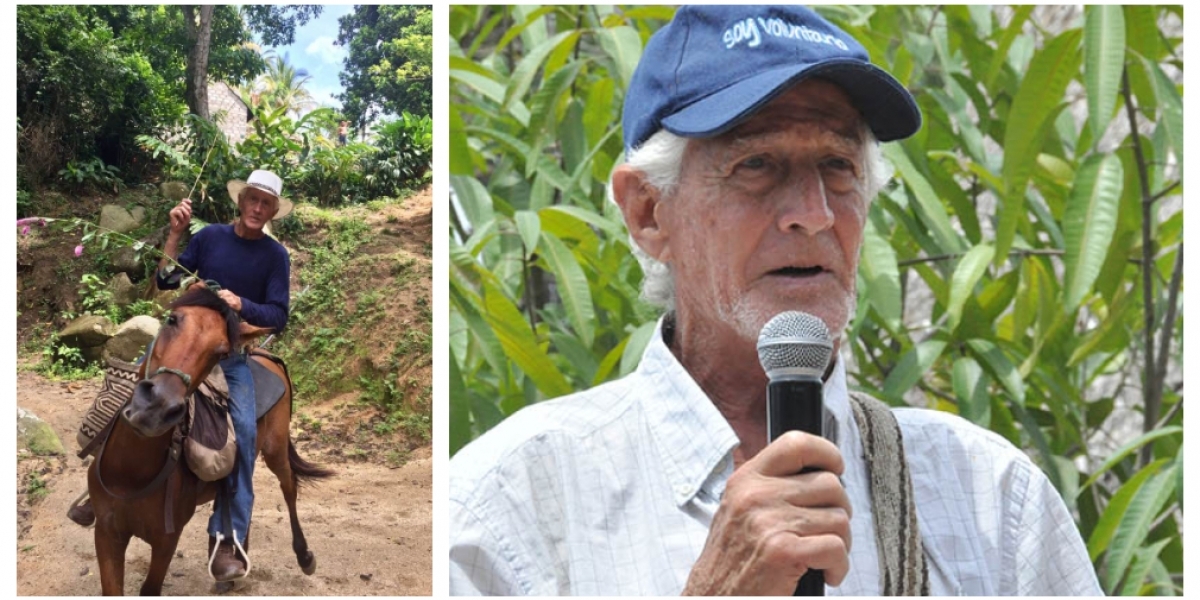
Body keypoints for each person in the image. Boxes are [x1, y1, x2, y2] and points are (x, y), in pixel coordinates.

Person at [448, 6, 1102, 596]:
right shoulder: (512, 504)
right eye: (756, 165)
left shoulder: (988, 500)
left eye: (837, 168)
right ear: (649, 213)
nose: (813, 215)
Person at [69, 169, 292, 582]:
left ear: (273, 210)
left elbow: (279, 314)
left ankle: (228, 537)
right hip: (180, 340)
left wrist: (241, 303)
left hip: (228, 356)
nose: (258, 208)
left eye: (267, 204)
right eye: (253, 200)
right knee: (126, 388)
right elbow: (165, 279)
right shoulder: (208, 238)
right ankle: (100, 486)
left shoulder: (275, 256)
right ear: (240, 200)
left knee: (243, 434)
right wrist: (175, 235)